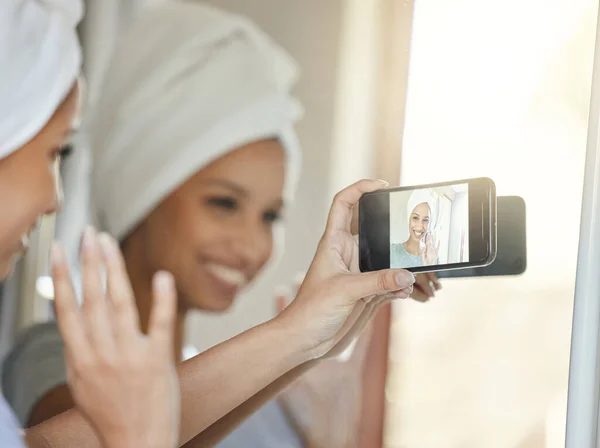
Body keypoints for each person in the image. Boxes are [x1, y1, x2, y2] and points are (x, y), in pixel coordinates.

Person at [0, 1, 417, 446]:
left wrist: (313, 361)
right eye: (223, 203)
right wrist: (296, 341)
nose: (251, 246)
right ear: (146, 187)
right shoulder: (61, 358)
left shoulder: (266, 395)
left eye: (271, 216)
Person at [391, 189, 440, 268]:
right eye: (415, 218)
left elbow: (435, 280)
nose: (420, 227)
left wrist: (430, 266)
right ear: (408, 218)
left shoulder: (433, 256)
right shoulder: (392, 251)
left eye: (425, 220)